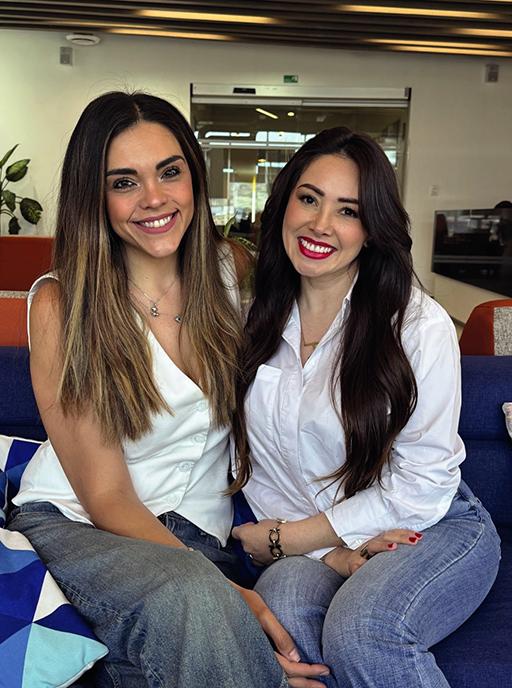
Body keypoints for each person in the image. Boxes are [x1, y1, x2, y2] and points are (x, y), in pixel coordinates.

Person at [6, 91, 329, 688]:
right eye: (124, 182)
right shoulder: (61, 303)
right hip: (82, 526)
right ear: (94, 197)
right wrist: (232, 596)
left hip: (198, 539)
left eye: (169, 172)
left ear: (194, 179)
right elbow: (106, 495)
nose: (154, 198)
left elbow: (336, 310)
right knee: (193, 598)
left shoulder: (230, 272)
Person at [231, 127, 501, 688]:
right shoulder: (248, 320)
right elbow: (251, 465)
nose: (321, 223)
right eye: (309, 199)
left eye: (348, 210)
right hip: (315, 542)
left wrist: (285, 540)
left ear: (372, 229)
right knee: (282, 613)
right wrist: (328, 553)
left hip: (426, 523)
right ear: (283, 206)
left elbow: (424, 484)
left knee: (362, 629)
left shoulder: (417, 325)